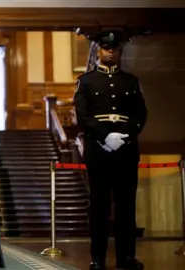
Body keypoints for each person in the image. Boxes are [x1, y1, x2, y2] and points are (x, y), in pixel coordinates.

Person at [73, 30, 147, 270]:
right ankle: (98, 258)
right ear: (99, 51)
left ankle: (126, 257)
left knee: (126, 206)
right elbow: (82, 116)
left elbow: (140, 115)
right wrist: (105, 136)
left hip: (125, 151)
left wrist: (122, 137)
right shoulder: (86, 81)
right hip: (98, 150)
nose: (110, 51)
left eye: (114, 48)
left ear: (119, 51)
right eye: (106, 48)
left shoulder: (131, 81)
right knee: (99, 207)